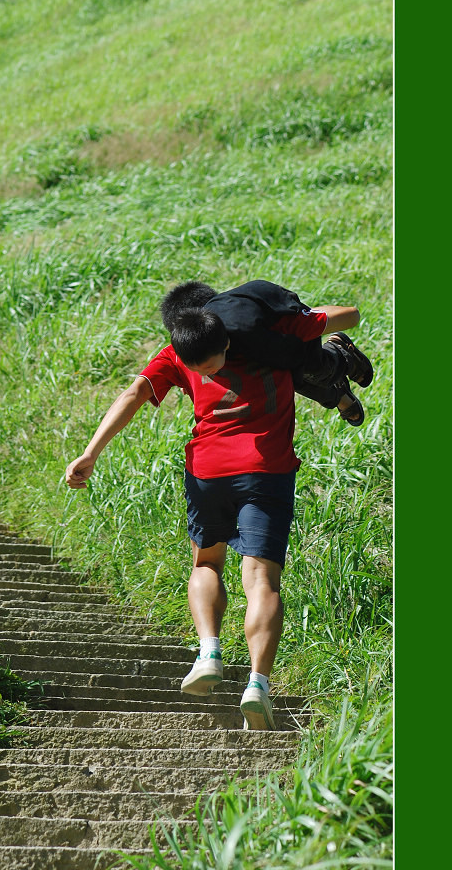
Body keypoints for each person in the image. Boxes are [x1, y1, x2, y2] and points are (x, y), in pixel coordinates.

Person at [65, 280, 373, 731]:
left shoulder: (178, 353)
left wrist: (90, 453)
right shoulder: (260, 332)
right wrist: (307, 320)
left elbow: (133, 394)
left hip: (207, 472)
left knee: (207, 564)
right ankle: (258, 685)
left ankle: (208, 650)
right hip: (265, 468)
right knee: (262, 580)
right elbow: (346, 315)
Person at [160, 279, 373, 426]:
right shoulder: (194, 343)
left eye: (206, 368)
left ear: (224, 343)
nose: (203, 374)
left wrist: (350, 318)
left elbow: (342, 317)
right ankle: (339, 397)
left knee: (312, 370)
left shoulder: (268, 334)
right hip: (253, 336)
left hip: (278, 319)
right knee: (290, 378)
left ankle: (342, 354)